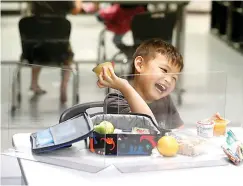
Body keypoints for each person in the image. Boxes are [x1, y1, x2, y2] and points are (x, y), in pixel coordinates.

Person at [97, 38, 184, 130]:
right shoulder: (115, 101)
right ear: (139, 64)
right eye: (164, 70)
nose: (169, 80)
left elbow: (179, 130)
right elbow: (146, 128)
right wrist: (124, 87)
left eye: (174, 78)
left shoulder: (165, 100)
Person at [28, 1, 82, 103]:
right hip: (59, 44)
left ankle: (34, 83)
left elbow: (32, 9)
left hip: (35, 45)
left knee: (37, 51)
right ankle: (63, 87)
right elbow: (76, 10)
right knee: (68, 56)